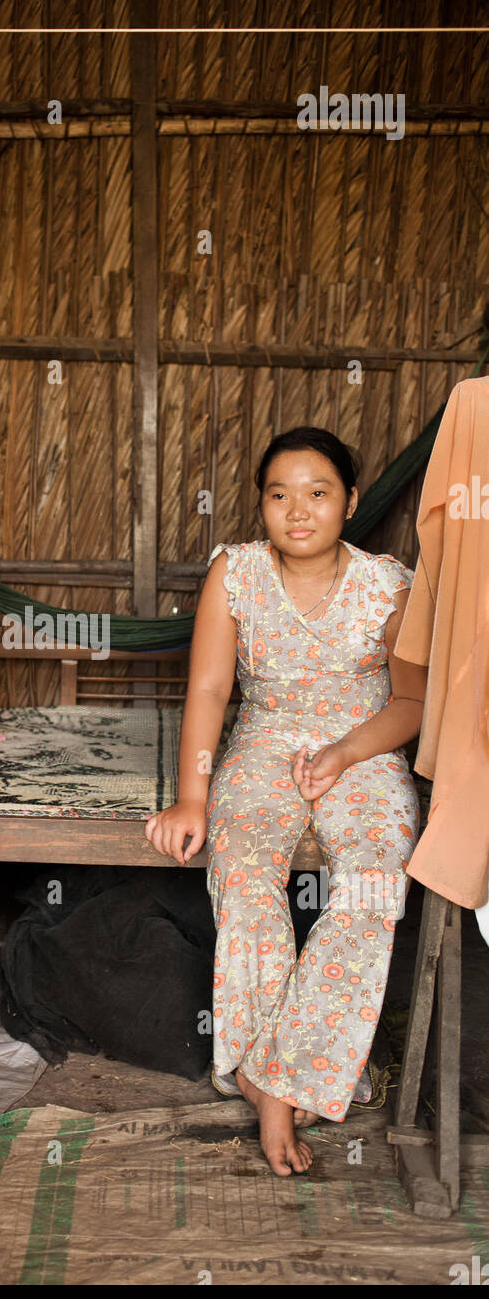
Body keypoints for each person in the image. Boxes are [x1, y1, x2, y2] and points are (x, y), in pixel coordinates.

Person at [145, 427, 427, 1177]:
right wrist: (191, 798)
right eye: (279, 494)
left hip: (362, 749)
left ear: (351, 501)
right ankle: (280, 1089)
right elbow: (208, 691)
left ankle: (276, 1070)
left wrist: (343, 752)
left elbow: (411, 702)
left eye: (318, 492)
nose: (297, 510)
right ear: (261, 504)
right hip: (265, 745)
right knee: (244, 873)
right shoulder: (234, 574)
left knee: (375, 879)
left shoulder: (389, 583)